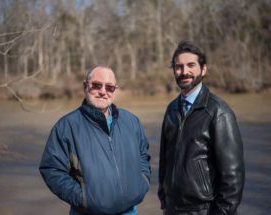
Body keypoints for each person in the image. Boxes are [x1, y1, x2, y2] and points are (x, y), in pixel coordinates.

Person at [39, 66, 151, 215]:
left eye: (110, 87)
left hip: (130, 211)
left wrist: (142, 182)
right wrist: (84, 199)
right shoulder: (66, 127)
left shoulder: (131, 121)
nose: (103, 91)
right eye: (96, 85)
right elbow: (51, 169)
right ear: (85, 86)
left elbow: (143, 155)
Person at [158, 41, 245, 215]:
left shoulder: (218, 112)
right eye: (179, 67)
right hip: (172, 209)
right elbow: (164, 160)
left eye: (191, 65)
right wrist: (163, 197)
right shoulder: (172, 109)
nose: (184, 72)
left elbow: (233, 176)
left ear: (203, 69)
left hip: (204, 210)